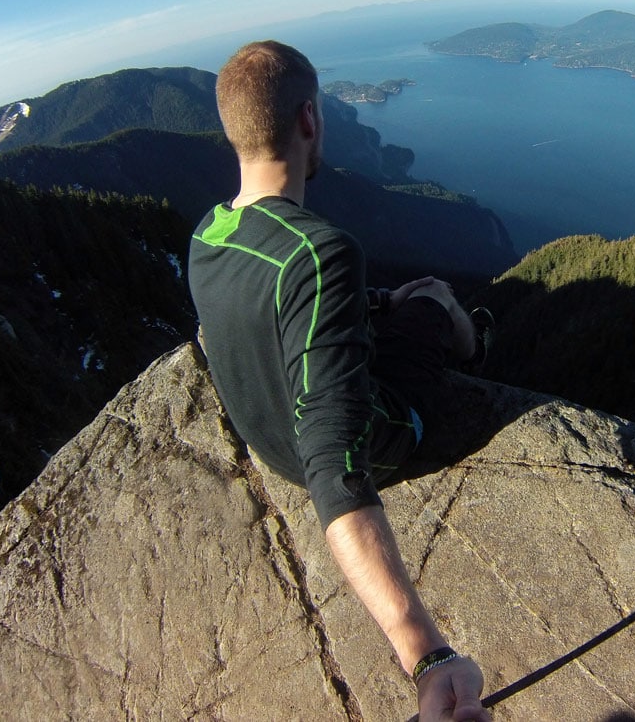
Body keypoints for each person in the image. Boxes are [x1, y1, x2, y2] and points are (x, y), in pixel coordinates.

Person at [188, 40, 492, 722]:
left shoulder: (208, 233)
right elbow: (335, 463)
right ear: (308, 120)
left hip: (268, 438)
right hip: (373, 434)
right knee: (437, 298)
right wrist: (427, 654)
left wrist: (372, 304)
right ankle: (476, 344)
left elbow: (261, 315)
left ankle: (417, 309)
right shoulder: (318, 250)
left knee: (397, 302)